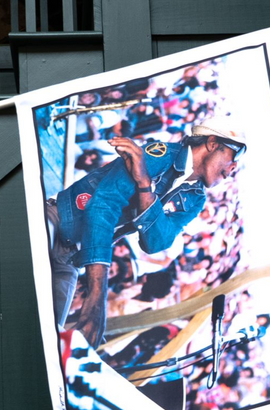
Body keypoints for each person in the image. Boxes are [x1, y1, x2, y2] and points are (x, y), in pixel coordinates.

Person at [46, 117, 247, 347]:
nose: (234, 168)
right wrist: (96, 296)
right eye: (236, 154)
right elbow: (102, 207)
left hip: (73, 258)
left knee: (50, 340)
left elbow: (156, 242)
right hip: (57, 222)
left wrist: (144, 187)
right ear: (212, 143)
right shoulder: (160, 154)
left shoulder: (196, 199)